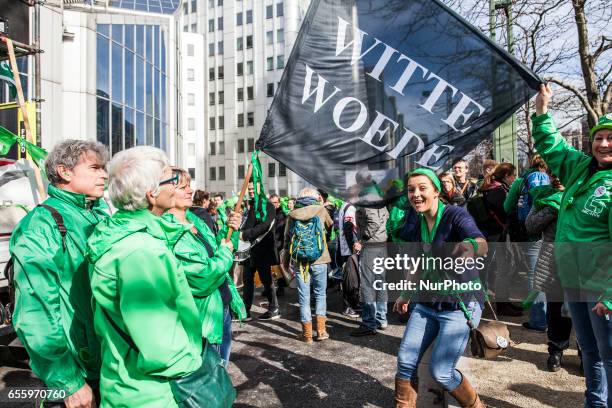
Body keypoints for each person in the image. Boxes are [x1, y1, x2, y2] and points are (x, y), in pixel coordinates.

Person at [87, 147, 213, 407]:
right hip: (153, 392)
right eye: (171, 180)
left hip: (127, 382)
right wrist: (195, 363)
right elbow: (161, 345)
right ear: (151, 194)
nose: (177, 186)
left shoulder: (119, 234)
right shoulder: (141, 251)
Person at [10, 140, 109, 408]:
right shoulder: (42, 225)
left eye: (104, 168)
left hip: (107, 367)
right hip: (76, 374)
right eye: (95, 167)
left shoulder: (98, 215)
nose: (104, 174)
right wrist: (67, 382)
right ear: (65, 172)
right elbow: (35, 312)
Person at [532, 84, 611, 407]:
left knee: (609, 355)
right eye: (599, 138)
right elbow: (551, 145)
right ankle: (595, 403)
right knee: (589, 351)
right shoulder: (580, 166)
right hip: (574, 279)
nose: (604, 143)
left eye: (611, 138)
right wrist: (542, 110)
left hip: (602, 285)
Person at [393, 168, 488, 408]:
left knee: (442, 371)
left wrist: (469, 247)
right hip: (427, 304)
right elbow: (418, 261)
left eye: (422, 188)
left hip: (460, 305)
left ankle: (477, 406)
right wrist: (405, 295)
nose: (416, 194)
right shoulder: (417, 220)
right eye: (411, 190)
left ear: (436, 191)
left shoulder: (455, 215)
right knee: (405, 360)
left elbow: (480, 242)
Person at [167, 168, 246, 367]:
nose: (189, 190)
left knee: (222, 369)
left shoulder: (194, 219)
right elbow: (203, 277)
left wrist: (231, 230)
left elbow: (217, 248)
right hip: (204, 315)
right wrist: (226, 253)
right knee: (211, 376)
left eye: (189, 185)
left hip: (222, 304)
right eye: (182, 187)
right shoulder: (170, 230)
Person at [525, 177, 572, 372]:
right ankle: (556, 349)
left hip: (581, 258)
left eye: (562, 172)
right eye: (553, 172)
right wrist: (553, 207)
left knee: (583, 308)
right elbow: (531, 226)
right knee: (556, 307)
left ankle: (586, 354)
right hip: (552, 260)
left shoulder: (582, 193)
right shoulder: (543, 195)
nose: (558, 176)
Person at [283, 188, 333, 342]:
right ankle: (321, 331)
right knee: (320, 294)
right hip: (320, 258)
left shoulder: (292, 214)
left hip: (300, 261)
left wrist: (286, 259)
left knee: (304, 296)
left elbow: (287, 238)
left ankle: (306, 334)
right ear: (313, 197)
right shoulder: (321, 210)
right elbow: (330, 226)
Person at [478, 163, 523, 317]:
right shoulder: (497, 190)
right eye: (513, 176)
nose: (514, 179)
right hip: (497, 235)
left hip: (494, 234)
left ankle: (504, 302)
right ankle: (502, 304)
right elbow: (505, 211)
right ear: (506, 176)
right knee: (503, 269)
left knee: (503, 268)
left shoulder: (492, 187)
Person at [240, 181, 280, 320]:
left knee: (266, 281)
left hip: (262, 250)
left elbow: (264, 226)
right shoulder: (251, 205)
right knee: (247, 281)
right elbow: (249, 224)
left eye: (252, 189)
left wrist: (245, 234)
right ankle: (245, 311)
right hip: (250, 251)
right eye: (248, 189)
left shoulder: (267, 205)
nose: (250, 191)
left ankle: (274, 308)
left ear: (260, 188)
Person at [350, 203, 390, 337]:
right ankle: (380, 319)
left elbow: (374, 223)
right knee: (380, 283)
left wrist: (361, 241)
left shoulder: (368, 201)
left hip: (371, 246)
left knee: (367, 284)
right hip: (380, 244)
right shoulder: (379, 199)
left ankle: (369, 323)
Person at [269, 193, 288, 296]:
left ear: (279, 203)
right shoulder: (269, 213)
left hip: (278, 245)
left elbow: (280, 232)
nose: (274, 204)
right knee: (272, 268)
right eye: (271, 203)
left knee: (279, 267)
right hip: (270, 244)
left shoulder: (281, 215)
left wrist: (279, 246)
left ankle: (281, 288)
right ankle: (271, 288)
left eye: (275, 202)